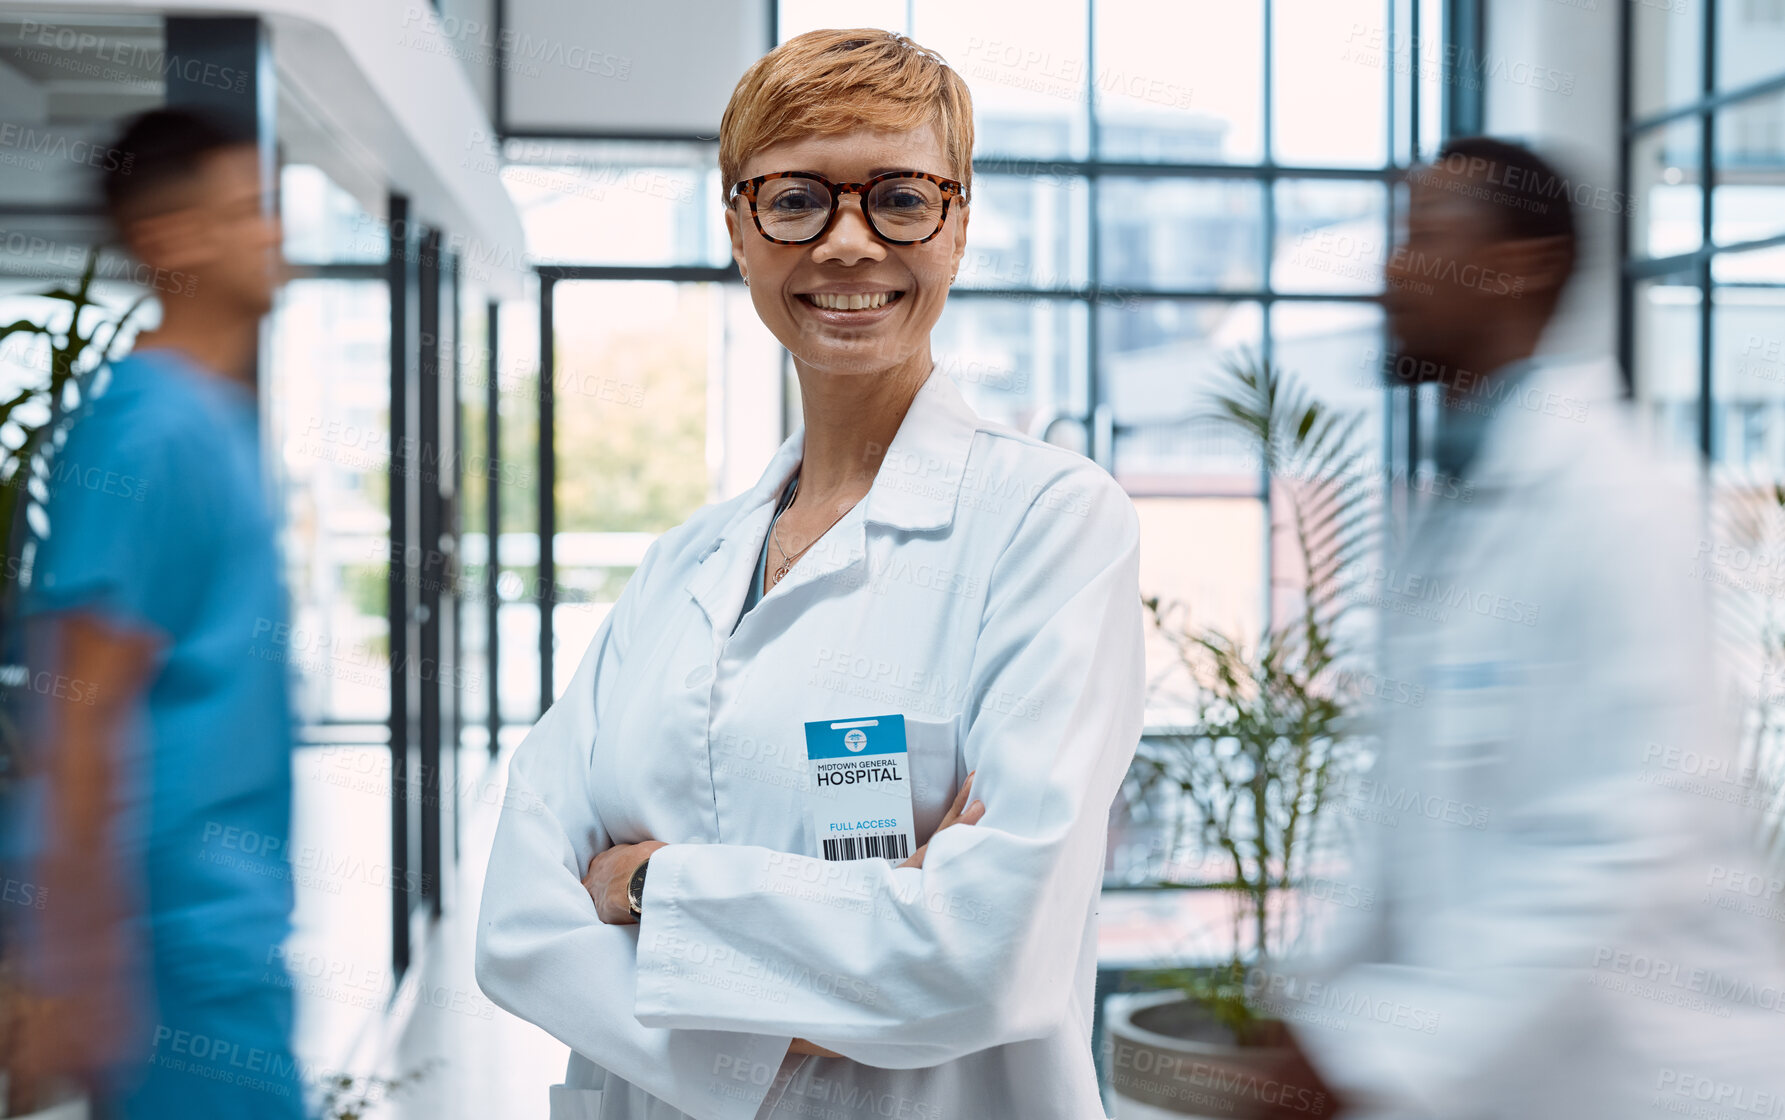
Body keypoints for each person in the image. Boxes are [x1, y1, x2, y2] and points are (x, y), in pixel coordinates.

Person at [476, 28, 1145, 1120]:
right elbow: (515, 926)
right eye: (795, 199)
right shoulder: (682, 566)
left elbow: (984, 957)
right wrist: (850, 954)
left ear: (959, 222)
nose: (847, 243)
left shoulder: (1050, 526)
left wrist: (647, 886)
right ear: (739, 228)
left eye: (900, 197)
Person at [1282, 137, 1785, 1118]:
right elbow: (1412, 824)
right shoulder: (1466, 505)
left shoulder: (1615, 500)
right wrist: (1322, 1013)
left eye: (1424, 237)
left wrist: (1369, 1059)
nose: (1390, 269)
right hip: (1512, 1073)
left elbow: (1619, 836)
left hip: (1651, 1077)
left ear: (1518, 268)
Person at [3, 107, 302, 1117]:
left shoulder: (209, 419)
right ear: (175, 238)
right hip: (162, 948)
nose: (276, 232)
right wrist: (71, 963)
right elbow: (78, 707)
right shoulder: (144, 431)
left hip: (221, 933)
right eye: (252, 210)